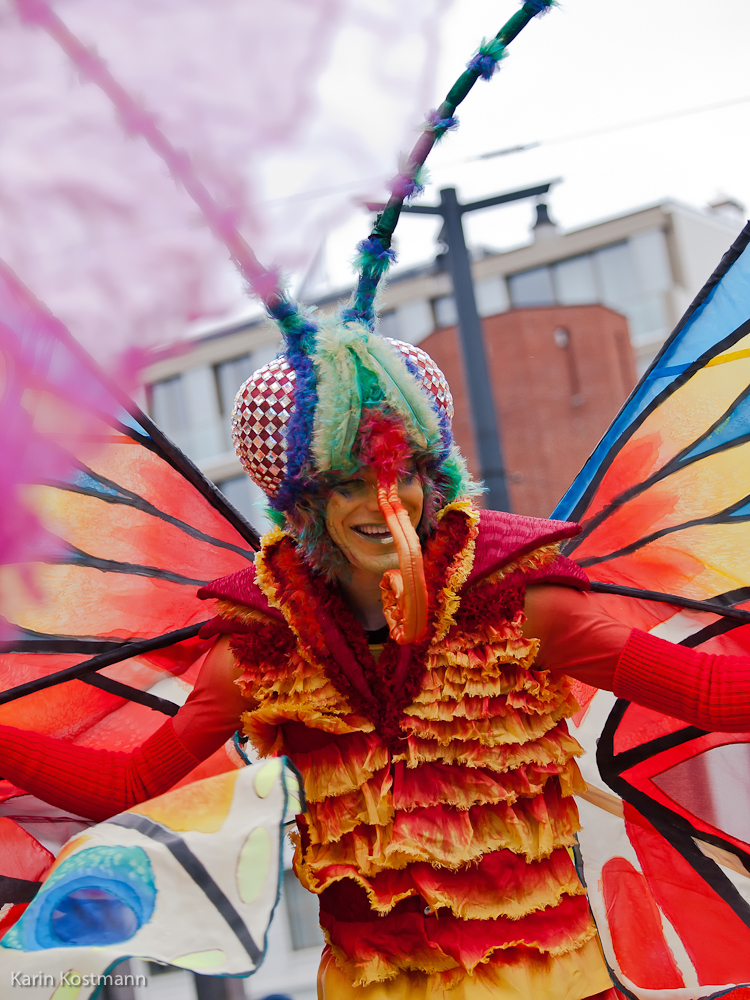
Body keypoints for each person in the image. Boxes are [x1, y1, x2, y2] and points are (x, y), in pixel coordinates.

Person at [2, 325, 750, 1000]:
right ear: (301, 507)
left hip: (552, 984)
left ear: (433, 478)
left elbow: (711, 694)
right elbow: (130, 782)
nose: (383, 503)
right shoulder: (260, 648)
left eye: (402, 474)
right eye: (351, 484)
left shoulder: (519, 604)